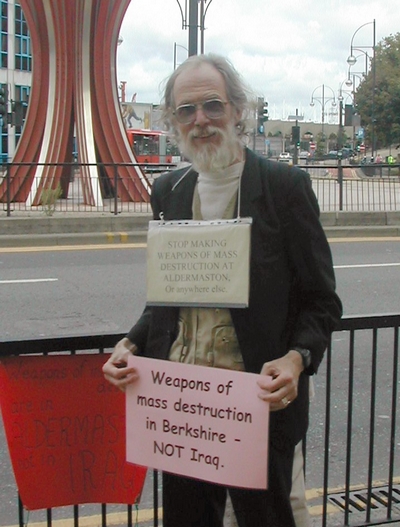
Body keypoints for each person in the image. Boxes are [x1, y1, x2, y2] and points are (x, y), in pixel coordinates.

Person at [103, 53, 342, 527]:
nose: (201, 120)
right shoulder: (168, 191)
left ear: (237, 110)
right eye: (186, 110)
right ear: (173, 120)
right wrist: (131, 343)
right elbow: (170, 297)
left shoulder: (283, 186)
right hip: (181, 402)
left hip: (253, 403)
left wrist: (297, 359)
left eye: (212, 105)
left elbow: (322, 300)